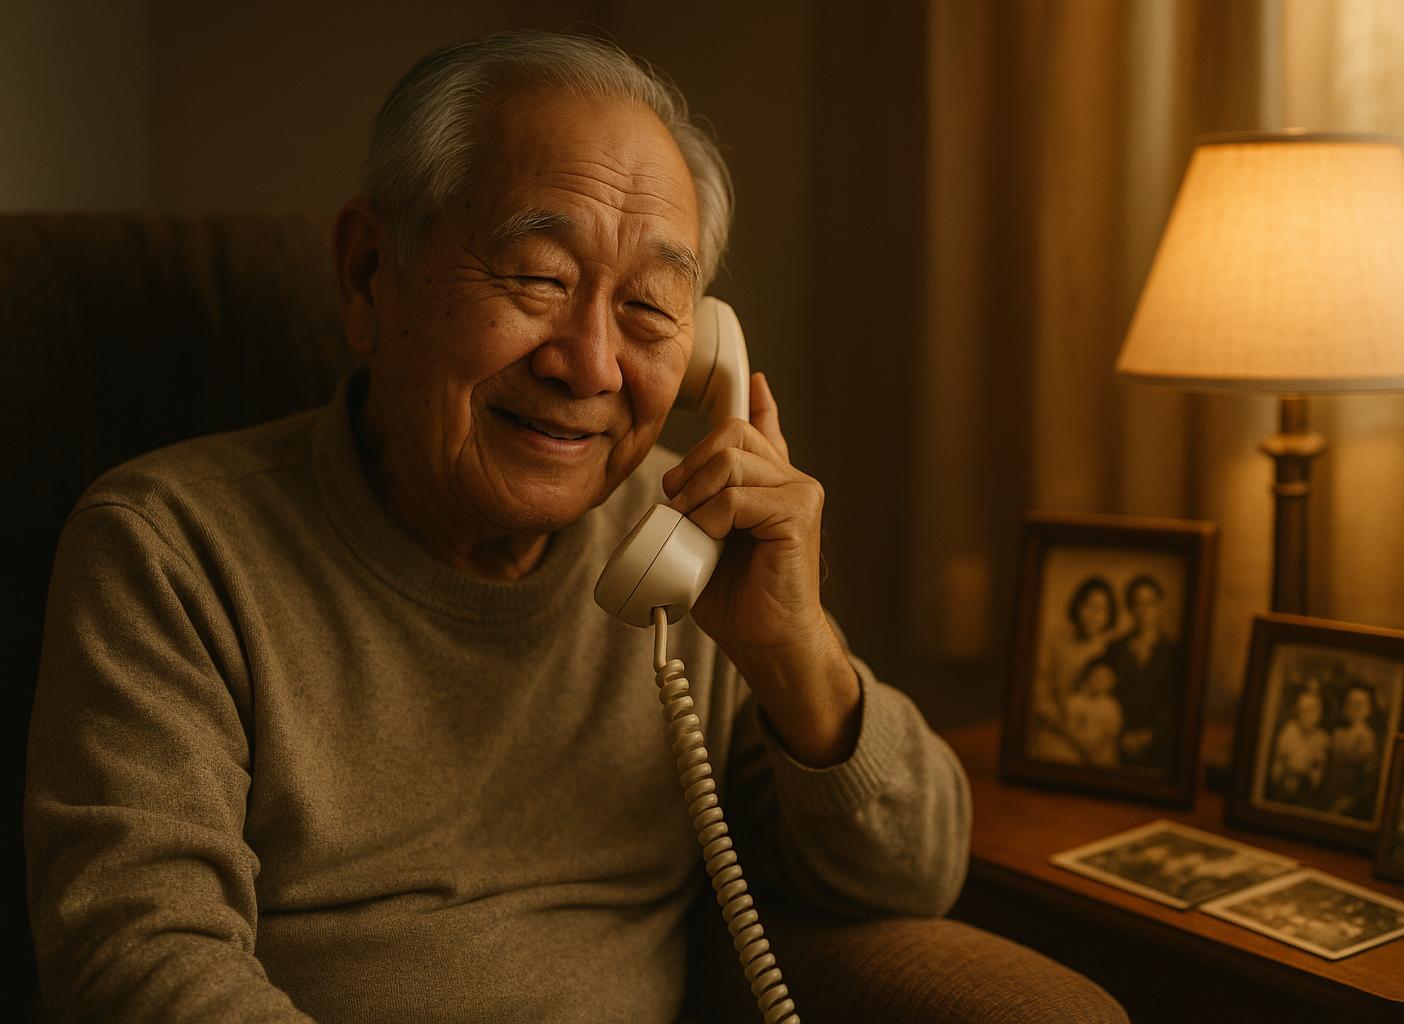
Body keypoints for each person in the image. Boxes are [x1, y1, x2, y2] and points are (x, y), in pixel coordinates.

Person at [22, 33, 1004, 1024]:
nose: (590, 365)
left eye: (650, 308)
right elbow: (136, 966)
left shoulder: (694, 545)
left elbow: (913, 874)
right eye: (537, 277)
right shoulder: (167, 548)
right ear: (372, 276)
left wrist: (795, 651)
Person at [1028, 575, 1116, 764]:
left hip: (1096, 736)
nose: (1093, 615)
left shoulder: (1112, 651)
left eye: (1101, 609)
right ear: (1077, 607)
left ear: (1109, 614)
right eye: (1088, 606)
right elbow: (1039, 690)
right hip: (1058, 729)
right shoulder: (1056, 645)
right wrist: (1065, 727)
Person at [1104, 575, 1180, 769]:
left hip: (1160, 740)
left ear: (1160, 606)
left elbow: (1174, 701)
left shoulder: (1174, 651)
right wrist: (1122, 734)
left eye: (1150, 603)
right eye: (1138, 604)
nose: (1144, 611)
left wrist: (1151, 734)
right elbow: (1107, 694)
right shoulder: (1115, 648)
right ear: (1130, 608)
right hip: (1118, 737)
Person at [1322, 681, 1380, 821]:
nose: (1355, 708)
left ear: (1369, 709)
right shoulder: (1338, 733)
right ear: (1344, 707)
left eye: (1360, 704)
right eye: (1350, 703)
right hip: (1328, 794)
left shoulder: (1367, 737)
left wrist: (1350, 801)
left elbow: (1366, 779)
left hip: (1350, 800)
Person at [1267, 687, 1329, 807]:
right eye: (1301, 710)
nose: (1305, 715)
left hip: (1308, 797)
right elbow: (1276, 771)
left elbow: (1318, 778)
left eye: (1311, 710)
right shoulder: (1288, 732)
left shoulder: (1323, 739)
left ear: (1320, 713)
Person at [1064, 658, 1123, 768]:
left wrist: (1096, 748)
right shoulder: (1075, 702)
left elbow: (1111, 733)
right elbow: (1069, 728)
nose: (1100, 682)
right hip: (1075, 751)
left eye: (1106, 679)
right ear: (1087, 677)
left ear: (1113, 682)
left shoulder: (1112, 706)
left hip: (1102, 755)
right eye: (1096, 677)